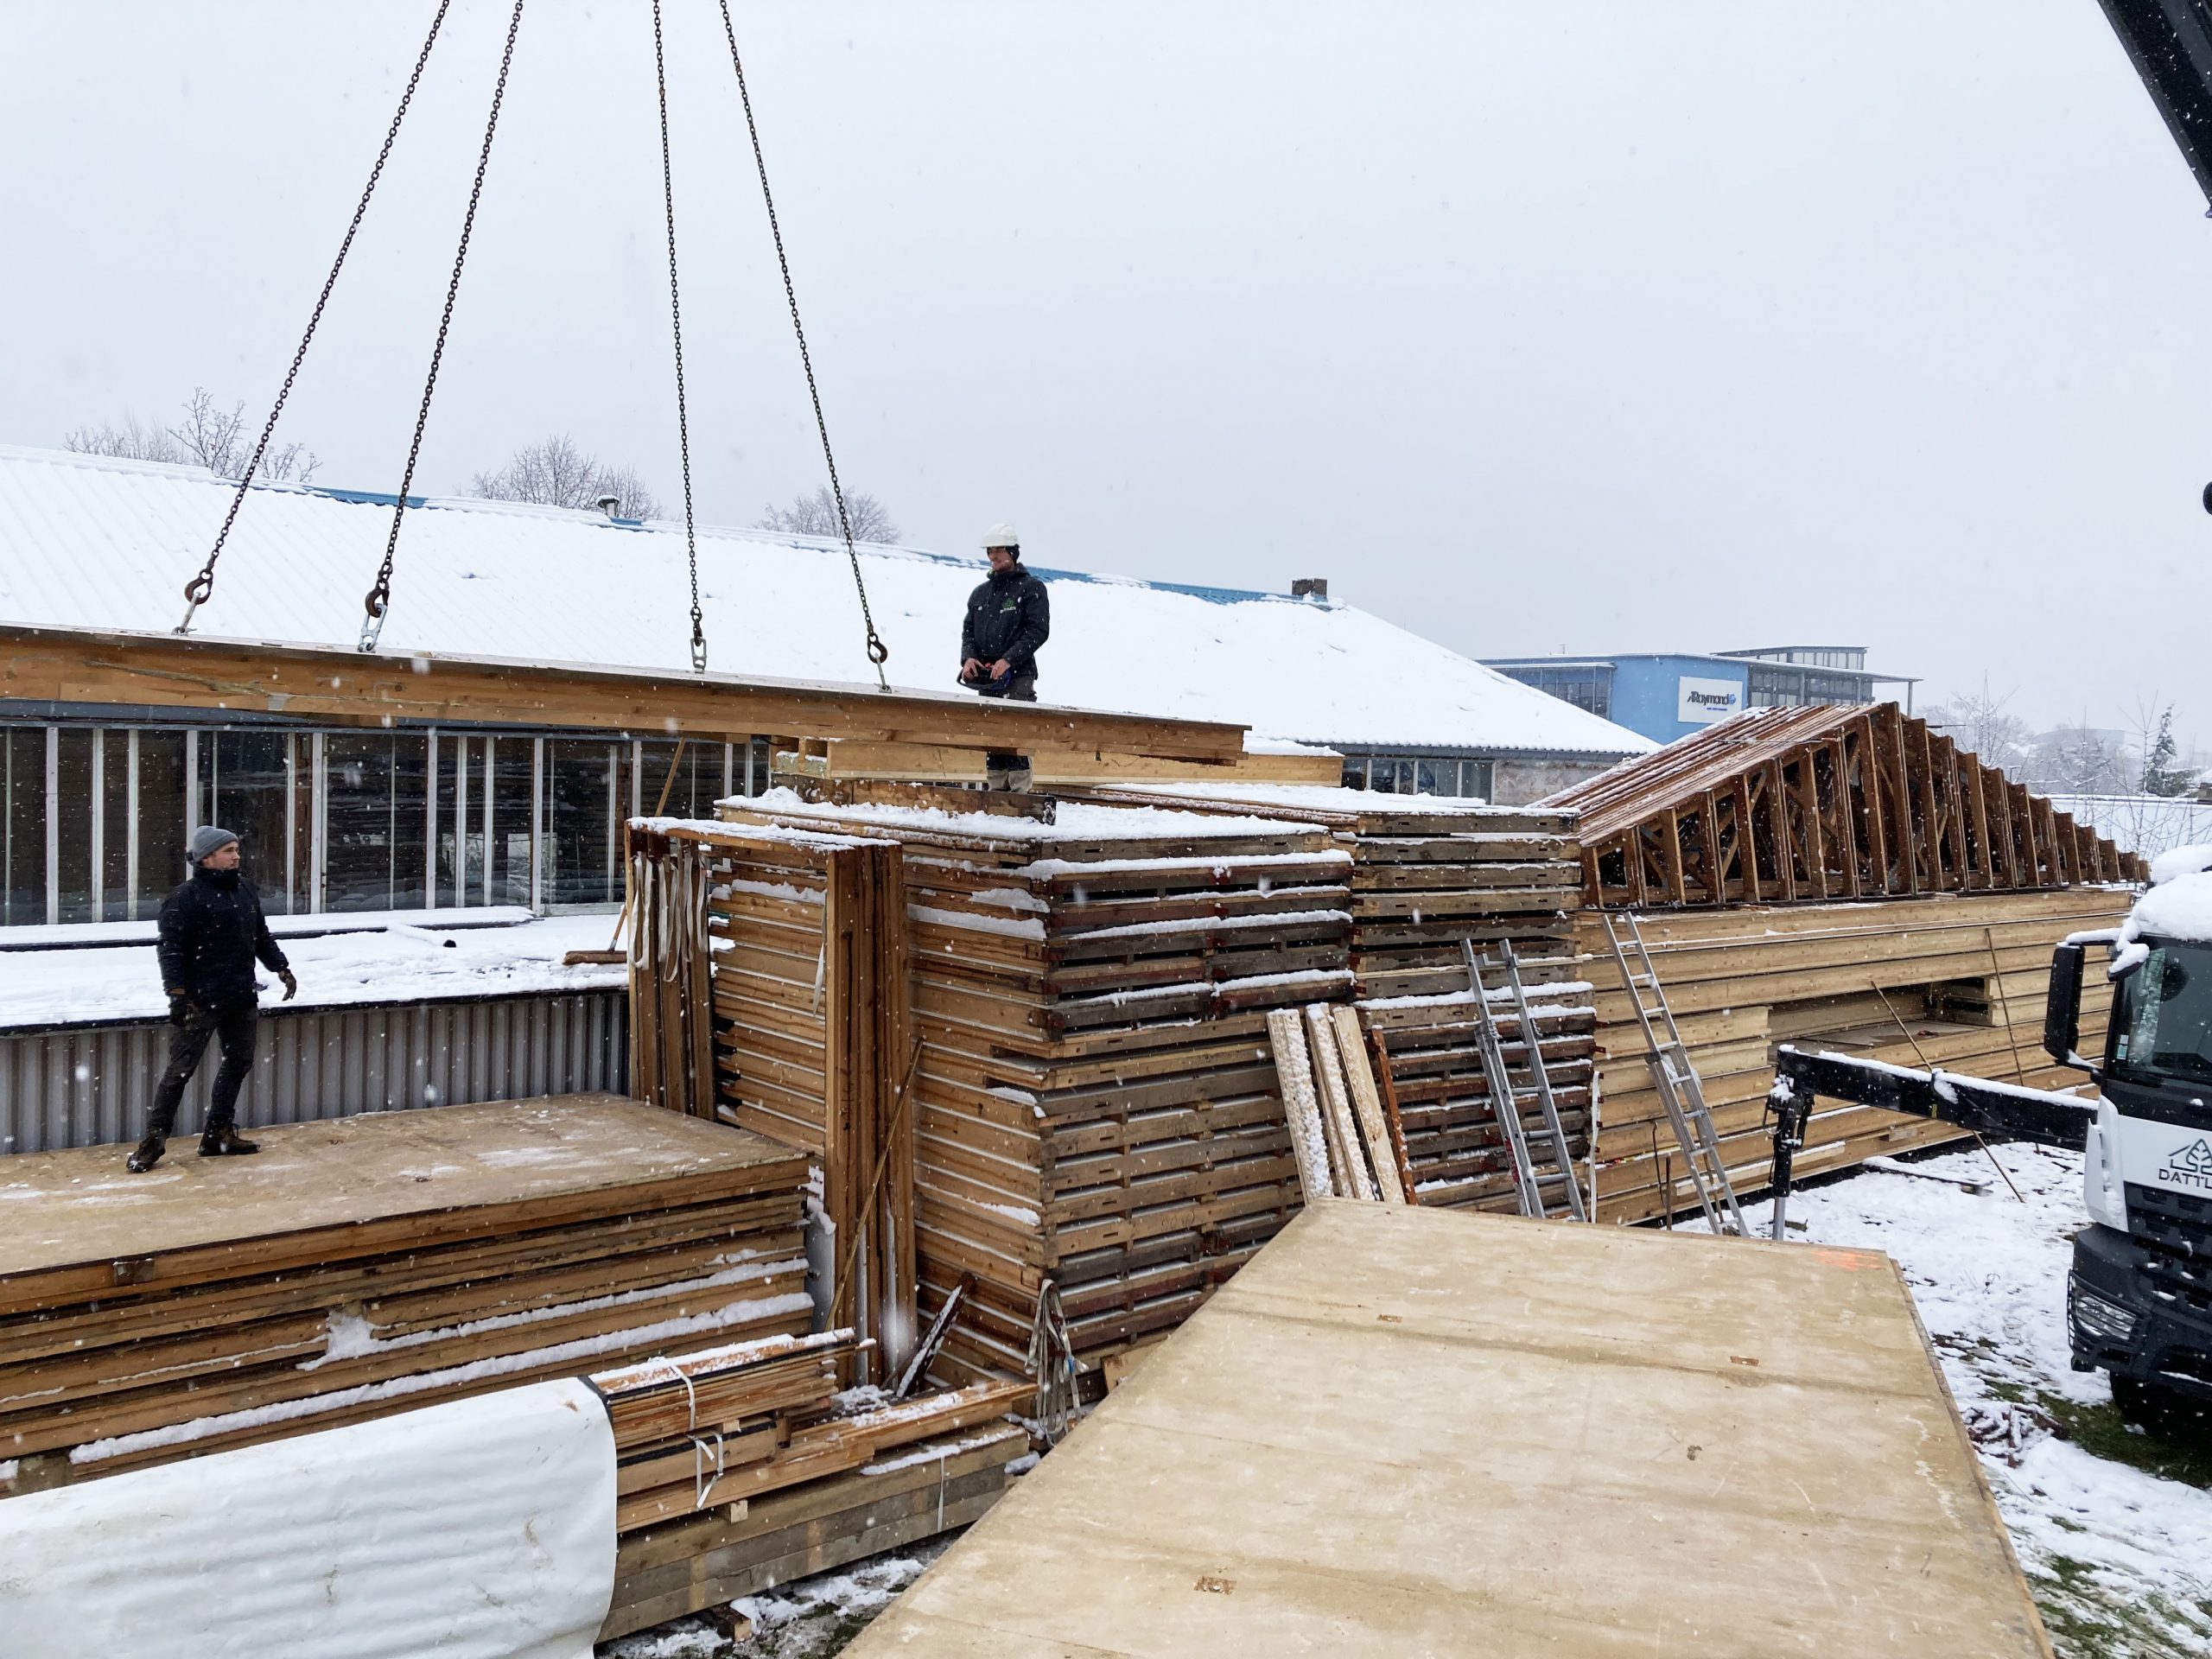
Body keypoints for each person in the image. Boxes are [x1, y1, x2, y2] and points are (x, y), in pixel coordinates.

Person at [128, 825, 298, 1172]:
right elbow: (170, 949)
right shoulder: (185, 897)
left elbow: (260, 935)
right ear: (207, 857)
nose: (237, 856)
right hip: (200, 1000)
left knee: (238, 1063)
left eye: (237, 850)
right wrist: (178, 996)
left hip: (240, 995)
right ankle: (153, 1142)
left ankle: (218, 1134)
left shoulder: (245, 890)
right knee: (180, 1071)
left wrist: (281, 968)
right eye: (229, 850)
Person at [958, 523, 1052, 791]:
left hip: (1017, 676)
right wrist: (968, 658)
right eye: (990, 550)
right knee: (992, 735)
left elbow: (1038, 631)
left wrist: (1009, 659)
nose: (993, 556)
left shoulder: (1030, 588)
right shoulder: (980, 594)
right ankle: (996, 793)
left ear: (1012, 552)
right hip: (987, 678)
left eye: (999, 550)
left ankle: (1020, 795)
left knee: (1015, 734)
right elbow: (968, 632)